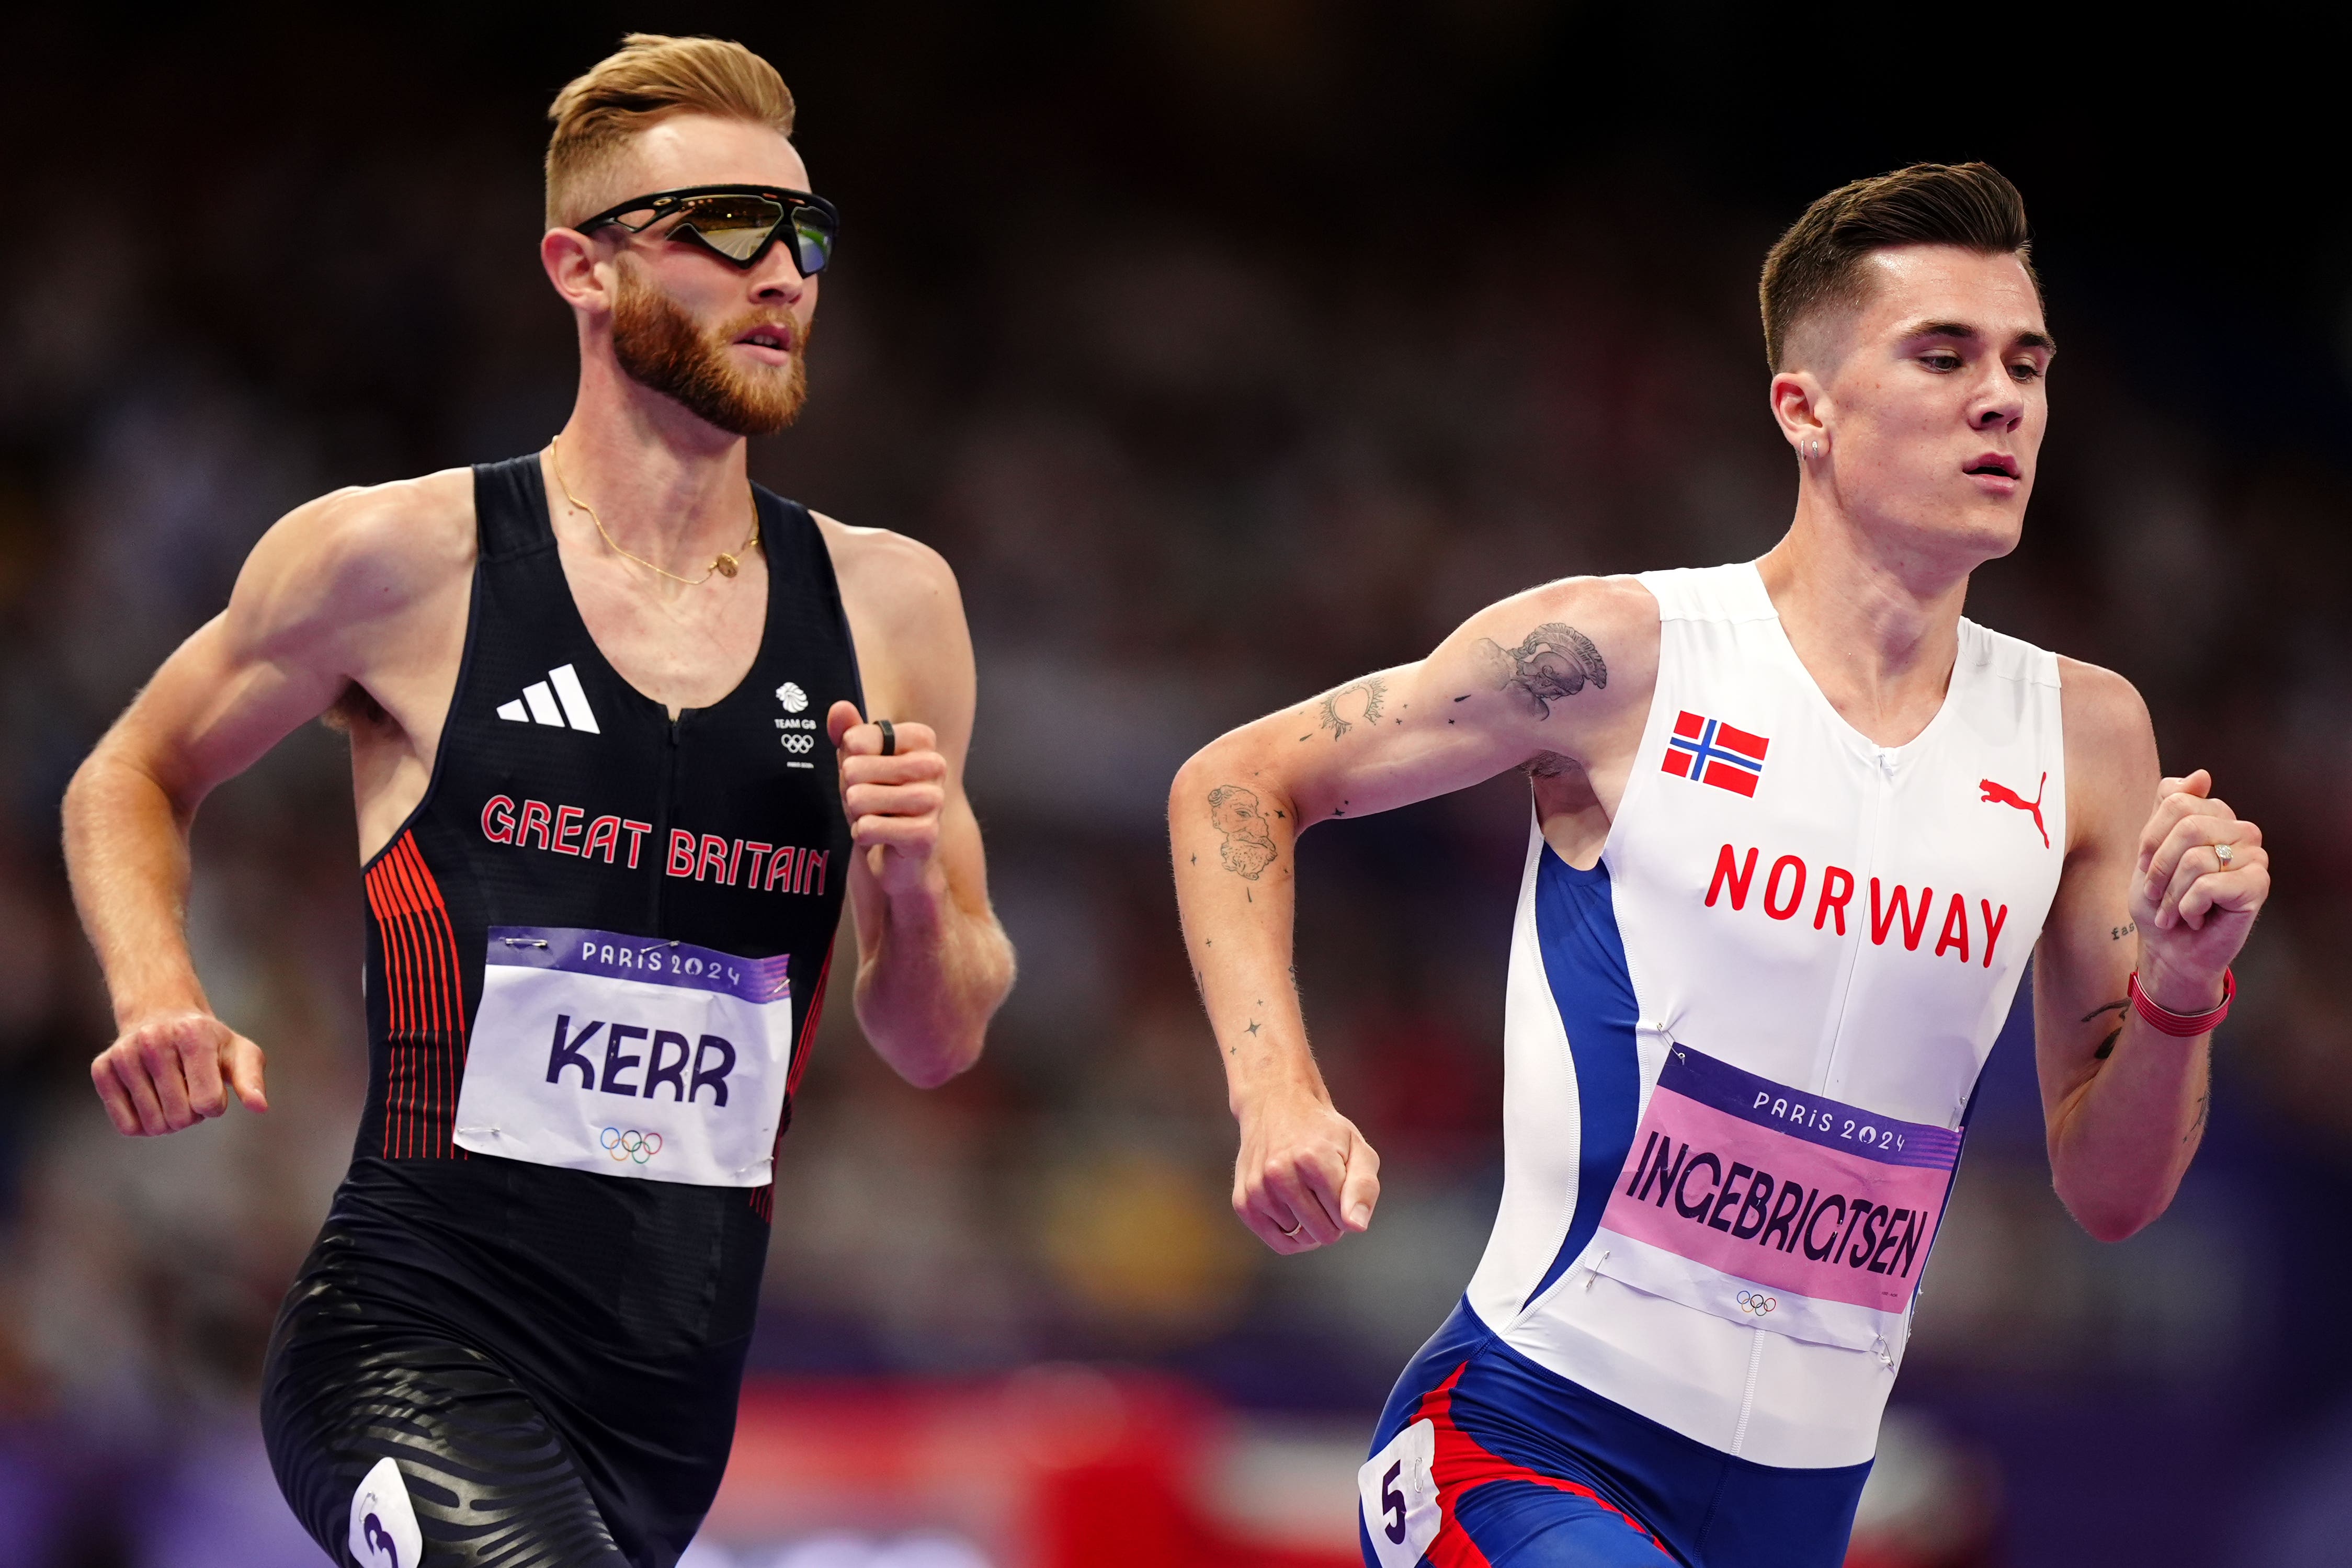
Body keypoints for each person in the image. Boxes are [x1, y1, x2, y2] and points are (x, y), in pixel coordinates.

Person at [1168, 163, 2267, 1567]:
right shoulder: (1621, 657)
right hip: (1527, 1444)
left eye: (2025, 364)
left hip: (1800, 1511)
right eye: (1940, 356)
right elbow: (1235, 783)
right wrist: (1277, 1097)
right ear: (1801, 408)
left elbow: (2112, 1198)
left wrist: (2180, 990)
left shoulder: (2086, 734)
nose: (2000, 399)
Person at [61, 33, 1014, 1568]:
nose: (782, 274)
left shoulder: (893, 605)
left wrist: (909, 888)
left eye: (805, 234)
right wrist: (160, 988)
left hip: (670, 1413)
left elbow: (934, 1033)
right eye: (723, 227)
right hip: (407, 1349)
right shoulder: (400, 561)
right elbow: (132, 768)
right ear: (582, 268)